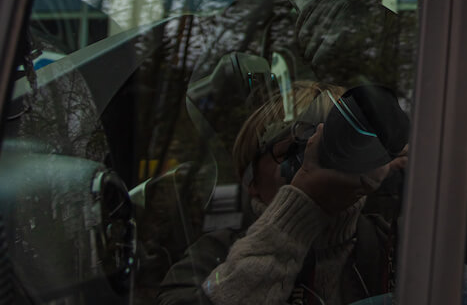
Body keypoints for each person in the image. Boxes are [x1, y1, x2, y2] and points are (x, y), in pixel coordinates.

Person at [160, 80, 408, 305]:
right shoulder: (212, 255)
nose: (318, 159)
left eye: (335, 143)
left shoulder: (394, 245)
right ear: (251, 180)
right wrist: (296, 214)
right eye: (296, 149)